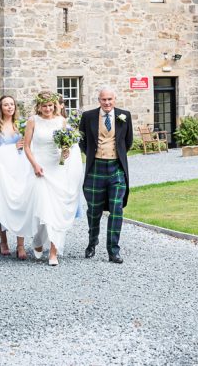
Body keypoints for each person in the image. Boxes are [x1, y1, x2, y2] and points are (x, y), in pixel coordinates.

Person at [22, 91, 84, 266]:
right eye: (44, 106)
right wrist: (34, 165)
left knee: (56, 209)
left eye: (50, 105)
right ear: (39, 106)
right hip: (40, 168)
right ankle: (38, 240)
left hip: (57, 168)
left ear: (54, 105)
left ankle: (54, 252)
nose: (48, 109)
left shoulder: (61, 121)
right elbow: (27, 146)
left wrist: (65, 153)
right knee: (43, 207)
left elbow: (66, 146)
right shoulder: (33, 121)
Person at [79, 86, 133, 264]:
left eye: (110, 99)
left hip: (116, 169)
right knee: (94, 211)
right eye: (104, 99)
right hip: (96, 168)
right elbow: (82, 140)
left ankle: (113, 250)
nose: (107, 102)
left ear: (114, 99)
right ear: (99, 100)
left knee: (116, 210)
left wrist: (115, 155)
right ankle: (92, 241)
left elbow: (128, 141)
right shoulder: (88, 117)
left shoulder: (125, 115)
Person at [0, 95, 29, 260]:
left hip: (19, 169)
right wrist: (13, 147)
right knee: (0, 204)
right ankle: (3, 242)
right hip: (2, 169)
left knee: (21, 204)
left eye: (12, 104)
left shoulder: (21, 126)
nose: (10, 107)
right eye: (6, 105)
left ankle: (21, 244)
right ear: (0, 108)